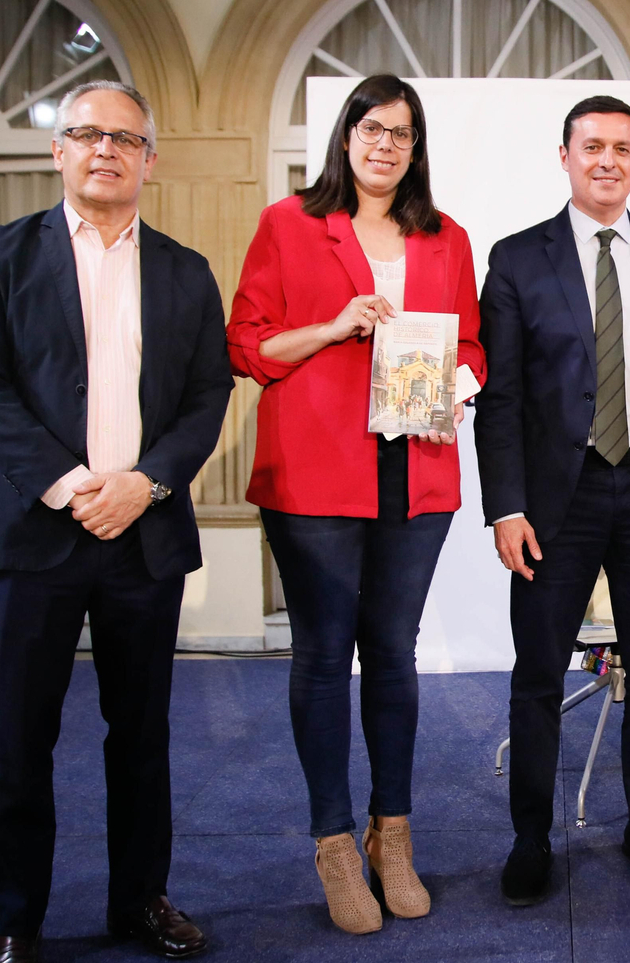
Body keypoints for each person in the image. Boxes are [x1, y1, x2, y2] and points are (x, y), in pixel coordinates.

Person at [0, 81, 232, 963]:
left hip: (142, 537)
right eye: (86, 135)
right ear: (58, 152)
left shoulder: (185, 269)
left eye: (124, 138)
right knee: (21, 737)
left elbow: (205, 394)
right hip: (36, 536)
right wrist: (75, 487)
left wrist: (144, 485)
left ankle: (140, 901)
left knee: (141, 736)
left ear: (151, 159)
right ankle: (16, 921)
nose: (105, 150)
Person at [227, 74, 485, 934]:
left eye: (402, 135)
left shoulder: (446, 238)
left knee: (394, 653)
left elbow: (472, 343)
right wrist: (336, 325)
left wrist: (461, 385)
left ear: (416, 148)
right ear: (345, 137)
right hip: (315, 471)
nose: (385, 146)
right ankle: (334, 842)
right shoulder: (288, 223)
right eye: (372, 129)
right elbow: (250, 345)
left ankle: (393, 835)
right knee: (322, 653)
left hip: (416, 467)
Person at [475, 95, 630, 904]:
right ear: (565, 155)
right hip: (554, 503)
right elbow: (501, 396)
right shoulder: (517, 258)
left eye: (623, 147)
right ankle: (530, 839)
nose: (607, 159)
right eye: (592, 146)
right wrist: (505, 506)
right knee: (538, 673)